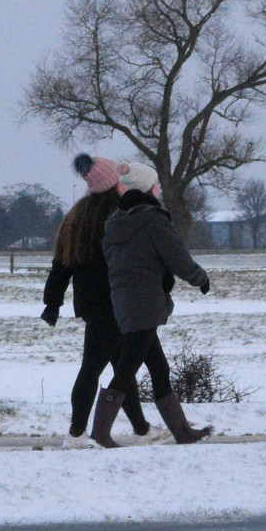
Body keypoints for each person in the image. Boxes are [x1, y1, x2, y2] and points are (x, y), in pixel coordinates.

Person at [41, 153, 162, 448]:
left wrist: (53, 301)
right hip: (117, 303)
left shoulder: (77, 217)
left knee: (121, 367)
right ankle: (76, 434)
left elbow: (62, 264)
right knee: (93, 369)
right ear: (113, 182)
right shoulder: (119, 215)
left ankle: (142, 429)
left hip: (91, 305)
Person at [91, 161, 214, 447]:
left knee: (159, 368)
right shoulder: (153, 219)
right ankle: (98, 434)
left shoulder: (114, 222)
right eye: (156, 185)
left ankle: (182, 432)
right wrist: (200, 279)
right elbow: (177, 256)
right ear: (148, 188)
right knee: (126, 369)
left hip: (123, 301)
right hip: (146, 303)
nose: (158, 189)